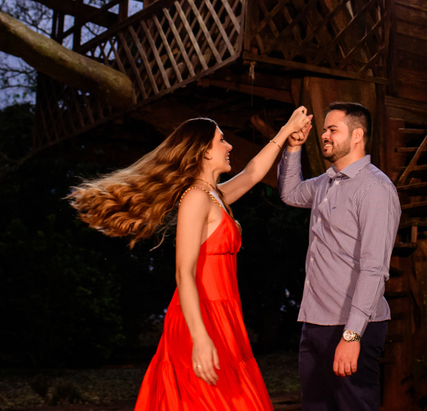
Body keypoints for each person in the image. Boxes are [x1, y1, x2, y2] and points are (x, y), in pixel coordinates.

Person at [69, 107, 312, 411]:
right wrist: (199, 338)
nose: (229, 146)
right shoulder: (196, 198)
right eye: (221, 140)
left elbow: (252, 173)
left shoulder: (214, 197)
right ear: (204, 152)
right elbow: (184, 273)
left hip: (224, 314)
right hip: (201, 315)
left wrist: (286, 132)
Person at [278, 102, 401, 411]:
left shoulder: (375, 188)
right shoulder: (326, 182)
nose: (324, 135)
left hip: (351, 326)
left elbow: (374, 269)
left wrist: (352, 335)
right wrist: (293, 147)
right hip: (314, 322)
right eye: (324, 130)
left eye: (333, 130)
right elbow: (290, 193)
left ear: (357, 135)